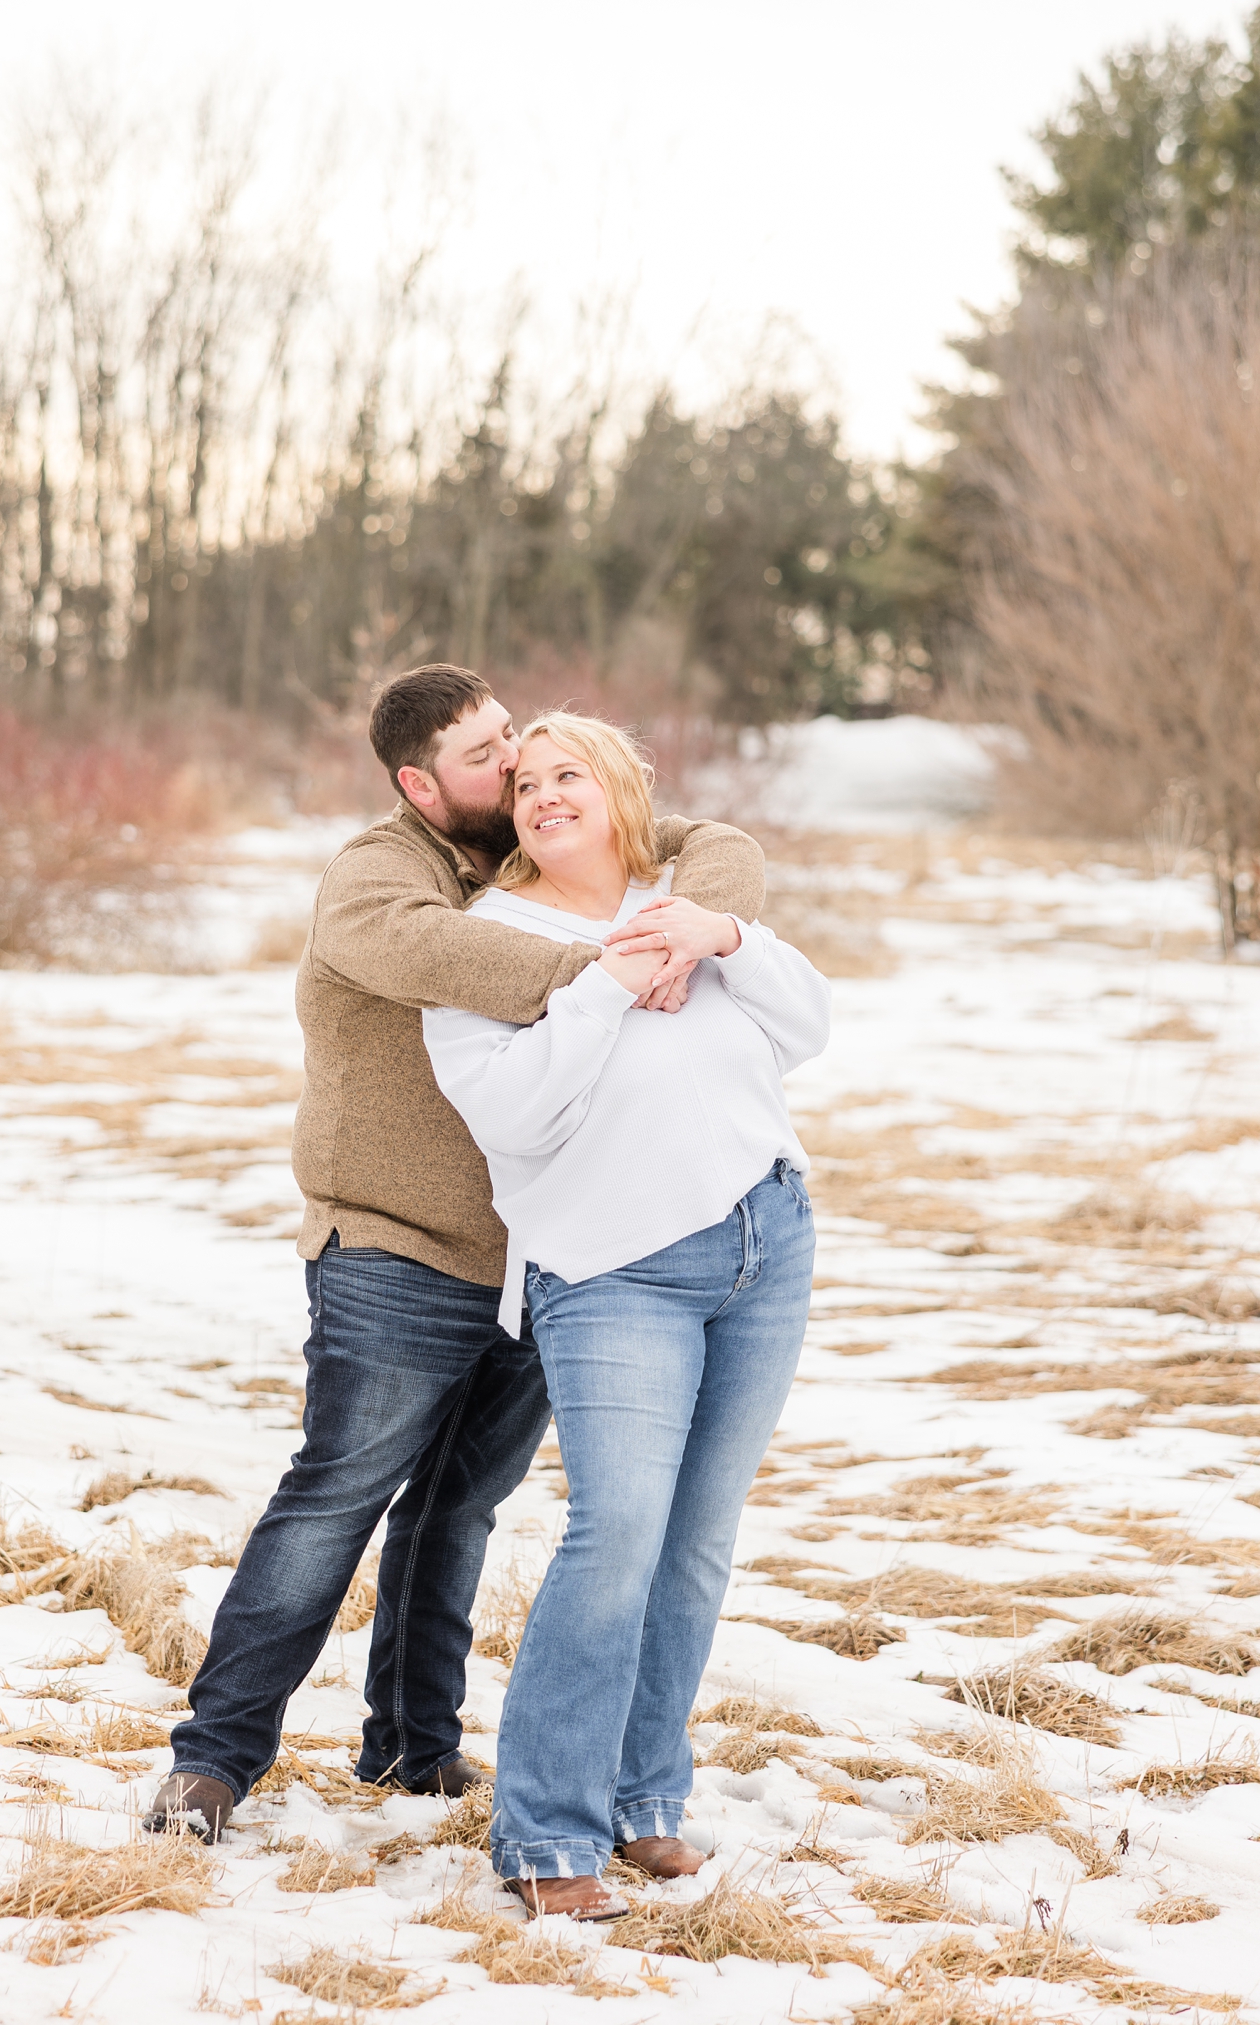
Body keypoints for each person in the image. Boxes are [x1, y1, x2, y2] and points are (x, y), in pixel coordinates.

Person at [145, 666, 764, 1842]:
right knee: (338, 1497)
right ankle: (214, 1760)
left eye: (519, 745)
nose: (517, 768)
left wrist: (703, 927)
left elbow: (714, 842)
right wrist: (616, 961)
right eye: (488, 759)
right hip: (396, 1245)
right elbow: (444, 958)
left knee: (458, 1509)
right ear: (419, 785)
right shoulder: (382, 876)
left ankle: (413, 1748)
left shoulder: (540, 847)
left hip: (548, 1257)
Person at [422, 711, 831, 1920]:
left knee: (698, 1540)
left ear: (621, 789)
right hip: (614, 1274)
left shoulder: (682, 902)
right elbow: (517, 1116)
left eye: (571, 774)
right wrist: (604, 985)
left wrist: (726, 937)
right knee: (617, 1537)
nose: (547, 793)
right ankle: (549, 1835)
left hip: (767, 1240)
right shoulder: (489, 945)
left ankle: (645, 1802)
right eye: (528, 781)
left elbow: (806, 1028)